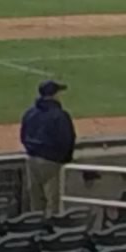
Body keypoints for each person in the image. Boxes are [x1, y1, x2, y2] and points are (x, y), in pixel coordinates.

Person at [20, 82, 76, 215]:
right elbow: (67, 139)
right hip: (52, 162)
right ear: (54, 95)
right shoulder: (60, 115)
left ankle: (36, 229)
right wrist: (64, 159)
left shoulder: (29, 113)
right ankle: (50, 232)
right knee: (53, 202)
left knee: (36, 201)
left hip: (32, 159)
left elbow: (23, 136)